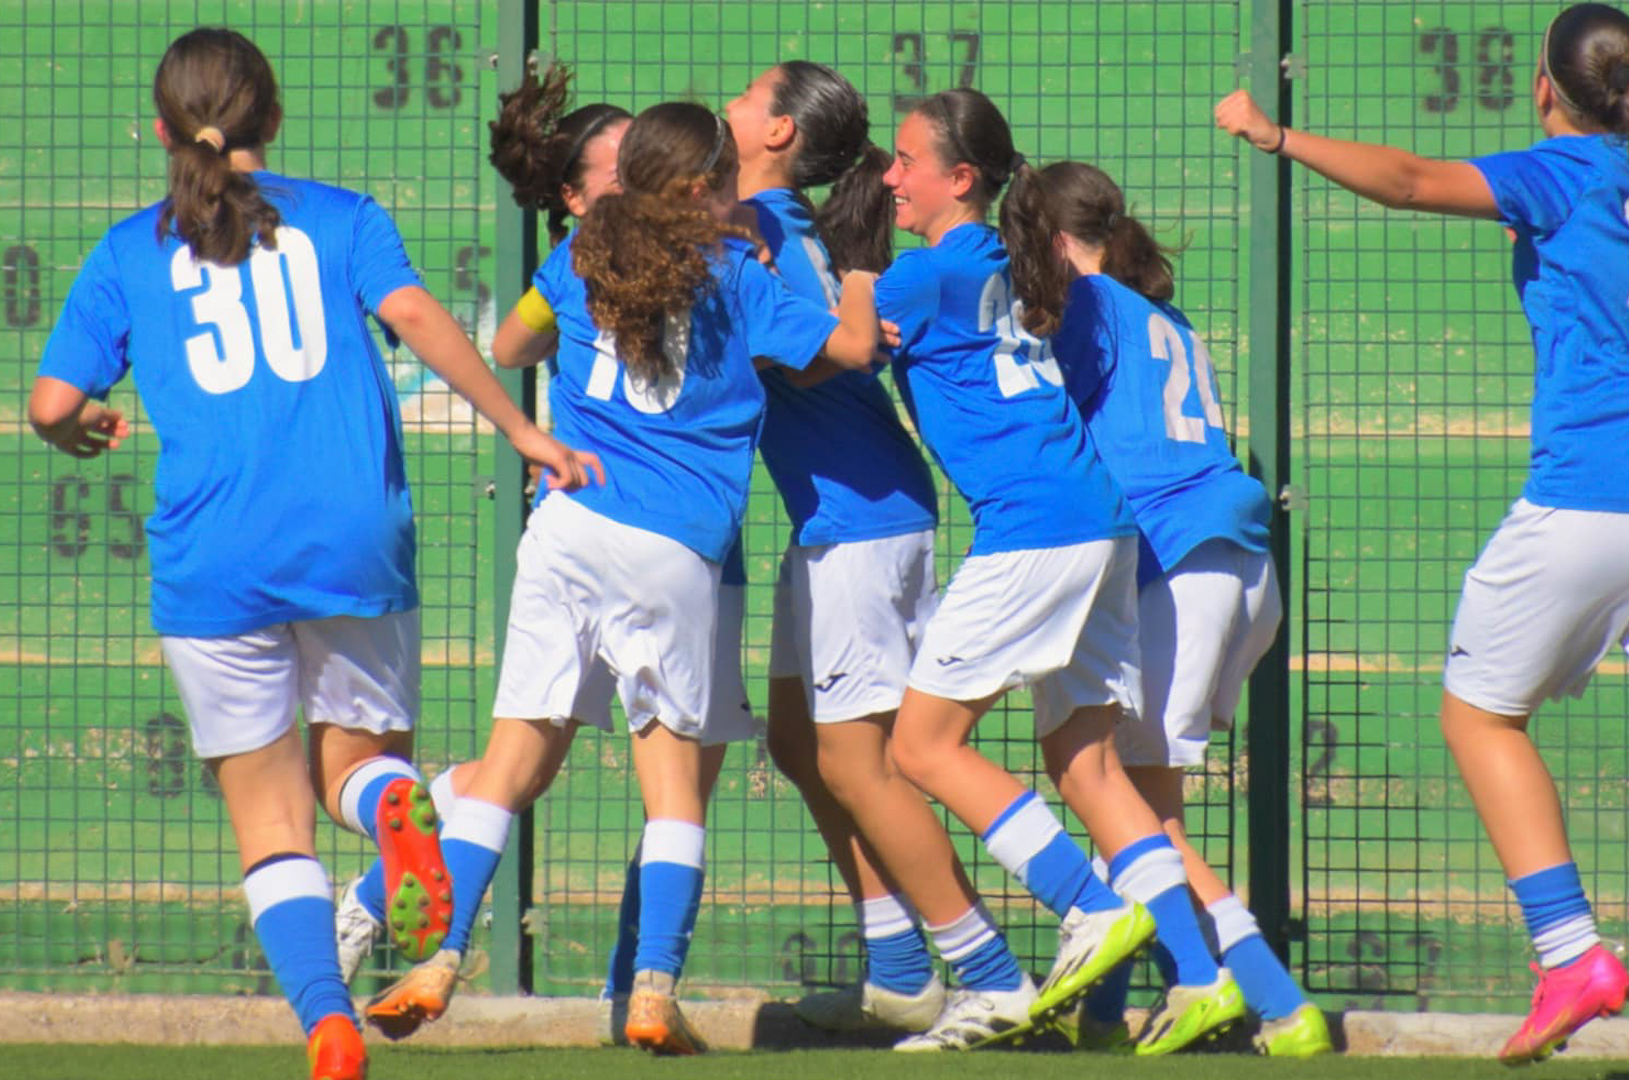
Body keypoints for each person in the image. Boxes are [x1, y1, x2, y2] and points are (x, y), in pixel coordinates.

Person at [1217, 6, 1629, 1076]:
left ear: (1548, 89)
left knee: (1478, 715)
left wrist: (1278, 135)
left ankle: (1568, 955)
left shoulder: (1557, 175)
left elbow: (1409, 181)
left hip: (1595, 498)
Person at [28, 28, 598, 1080]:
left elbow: (51, 402)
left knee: (271, 820)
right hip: (353, 537)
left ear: (160, 130)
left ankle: (327, 1024)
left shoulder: (126, 251)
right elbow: (415, 314)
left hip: (214, 557)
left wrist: (74, 426)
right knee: (358, 771)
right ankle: (386, 804)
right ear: (274, 117)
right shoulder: (344, 218)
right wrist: (524, 431)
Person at [361, 102, 882, 1056]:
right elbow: (851, 349)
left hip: (567, 523)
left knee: (506, 765)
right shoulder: (738, 274)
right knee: (672, 787)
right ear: (705, 187)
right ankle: (652, 990)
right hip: (672, 544)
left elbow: (512, 346)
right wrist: (855, 267)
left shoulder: (580, 253)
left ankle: (439, 960)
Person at [834, 87, 1242, 1055]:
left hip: (1033, 527)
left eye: (905, 161)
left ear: (960, 178)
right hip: (1101, 522)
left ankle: (1086, 907)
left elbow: (845, 343)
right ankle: (1202, 976)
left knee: (921, 747)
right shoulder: (1007, 257)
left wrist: (848, 268)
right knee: (1087, 765)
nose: (890, 176)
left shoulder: (925, 274)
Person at [999, 157, 1332, 1058]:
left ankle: (1274, 1002)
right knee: (1134, 805)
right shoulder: (1163, 315)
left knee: (1140, 814)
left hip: (1172, 560)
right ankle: (1104, 1017)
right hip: (1235, 562)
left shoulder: (1086, 301)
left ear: (1054, 244)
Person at [723, 59, 950, 1035]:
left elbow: (817, 358)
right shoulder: (765, 222)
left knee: (865, 766)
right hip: (838, 517)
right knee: (794, 739)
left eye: (748, 95)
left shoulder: (763, 228)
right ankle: (899, 967)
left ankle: (981, 970)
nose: (730, 103)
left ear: (779, 132)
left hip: (864, 515)